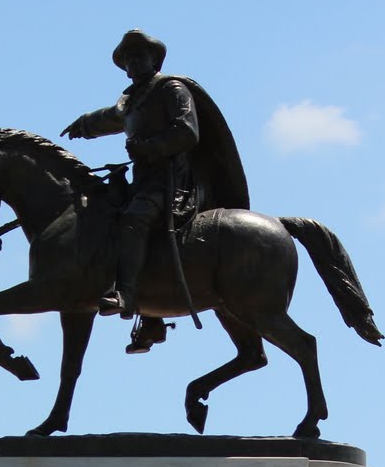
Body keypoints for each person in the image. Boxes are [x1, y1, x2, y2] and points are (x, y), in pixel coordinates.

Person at [62, 30, 248, 340]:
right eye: (127, 59)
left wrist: (148, 148)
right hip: (144, 183)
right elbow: (110, 118)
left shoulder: (172, 89)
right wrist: (83, 125)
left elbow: (188, 132)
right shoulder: (132, 101)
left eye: (139, 56)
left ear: (154, 59)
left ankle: (126, 295)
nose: (133, 63)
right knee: (101, 216)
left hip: (173, 185)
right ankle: (152, 317)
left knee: (135, 219)